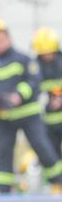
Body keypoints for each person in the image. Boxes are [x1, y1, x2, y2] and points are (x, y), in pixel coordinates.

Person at [0, 19, 62, 194]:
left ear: (9, 39)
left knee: (43, 147)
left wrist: (19, 95)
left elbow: (33, 81)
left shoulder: (23, 59)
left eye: (2, 39)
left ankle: (58, 182)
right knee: (3, 153)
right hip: (4, 118)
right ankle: (3, 188)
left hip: (29, 115)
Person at [32, 26, 62, 154]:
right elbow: (34, 90)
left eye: (49, 52)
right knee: (52, 154)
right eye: (43, 53)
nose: (47, 56)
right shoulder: (34, 67)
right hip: (46, 120)